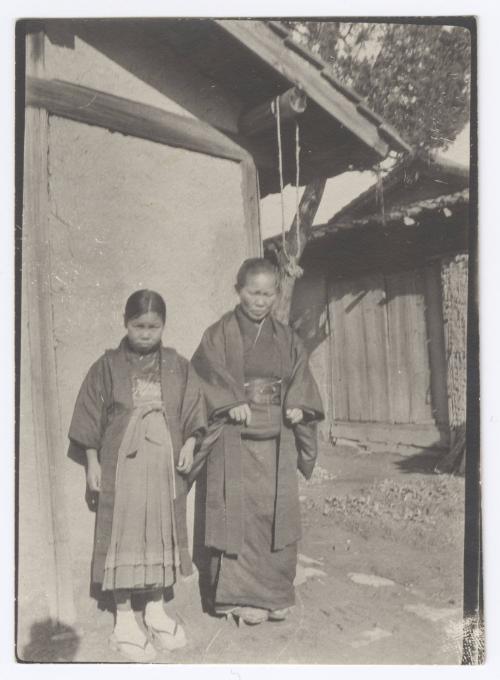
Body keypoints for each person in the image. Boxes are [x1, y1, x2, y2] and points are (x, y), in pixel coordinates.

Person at [68, 290, 207, 661]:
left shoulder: (178, 365)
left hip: (162, 470)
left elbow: (194, 413)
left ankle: (156, 609)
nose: (146, 333)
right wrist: (92, 464)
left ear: (164, 326)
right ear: (125, 324)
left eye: (154, 326)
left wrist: (191, 444)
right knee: (125, 536)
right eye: (138, 326)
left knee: (160, 533)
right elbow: (88, 420)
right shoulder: (107, 366)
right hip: (123, 469)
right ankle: (125, 617)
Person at [191, 258, 324, 625]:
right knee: (237, 515)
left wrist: (299, 406)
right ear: (238, 290)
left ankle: (275, 595)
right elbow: (203, 374)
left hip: (276, 437)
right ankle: (235, 598)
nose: (260, 301)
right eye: (253, 292)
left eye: (268, 294)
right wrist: (229, 401)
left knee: (274, 516)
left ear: (276, 294)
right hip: (234, 438)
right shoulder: (218, 334)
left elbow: (300, 378)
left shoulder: (285, 337)